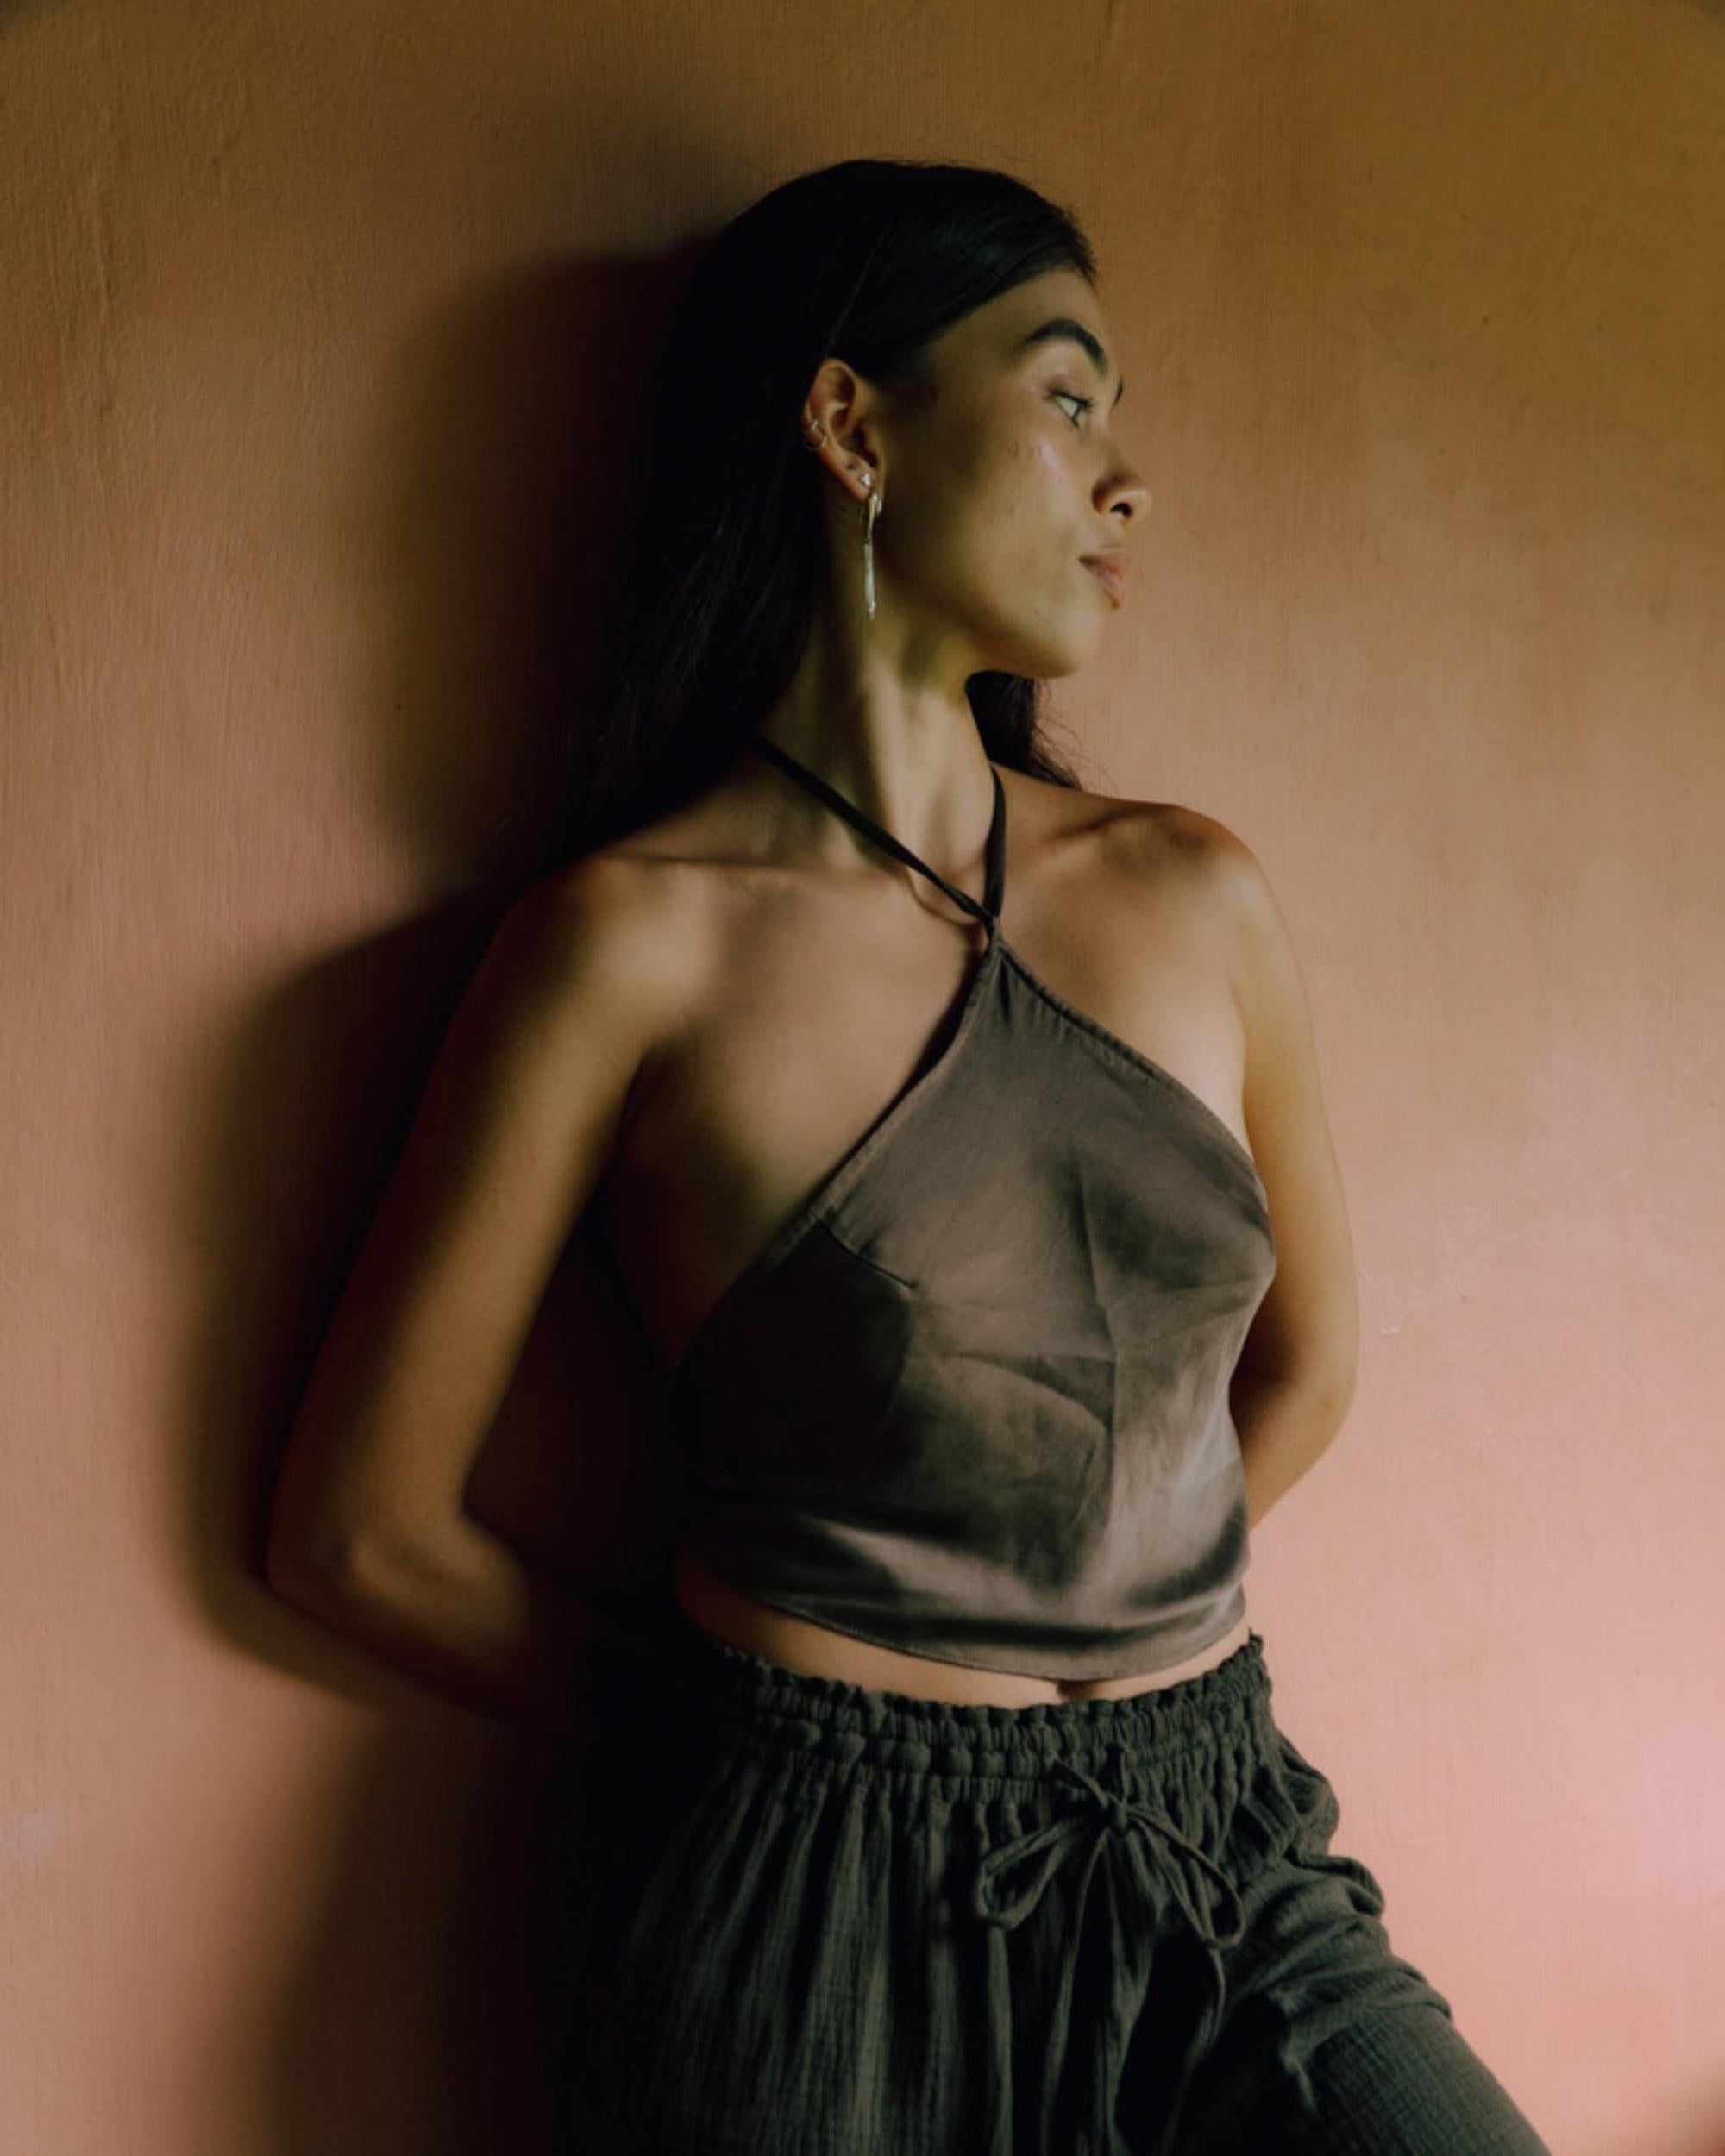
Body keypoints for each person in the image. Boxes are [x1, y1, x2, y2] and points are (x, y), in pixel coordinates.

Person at [265, 160, 1554, 2155]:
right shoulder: (627, 945)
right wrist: (782, 1738)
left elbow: (1303, 1363)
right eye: (1067, 396)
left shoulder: (1193, 894)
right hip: (807, 1910)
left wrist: (1106, 1615)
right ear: (850, 424)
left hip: (1211, 1838)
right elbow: (360, 1531)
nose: (1127, 480)